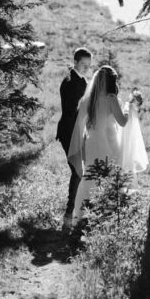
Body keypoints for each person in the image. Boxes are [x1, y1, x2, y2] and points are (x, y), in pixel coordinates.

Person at [68, 64, 148, 224]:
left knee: (92, 175)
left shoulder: (87, 99)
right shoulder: (110, 99)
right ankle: (110, 214)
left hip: (91, 143)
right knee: (112, 174)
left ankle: (85, 214)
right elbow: (123, 122)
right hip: (109, 143)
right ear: (112, 81)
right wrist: (129, 106)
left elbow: (82, 129)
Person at [56, 46, 92, 229]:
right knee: (78, 171)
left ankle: (77, 212)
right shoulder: (70, 81)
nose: (86, 67)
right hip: (69, 131)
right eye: (83, 64)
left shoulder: (82, 81)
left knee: (81, 172)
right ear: (76, 62)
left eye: (89, 65)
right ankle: (69, 215)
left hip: (77, 130)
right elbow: (72, 109)